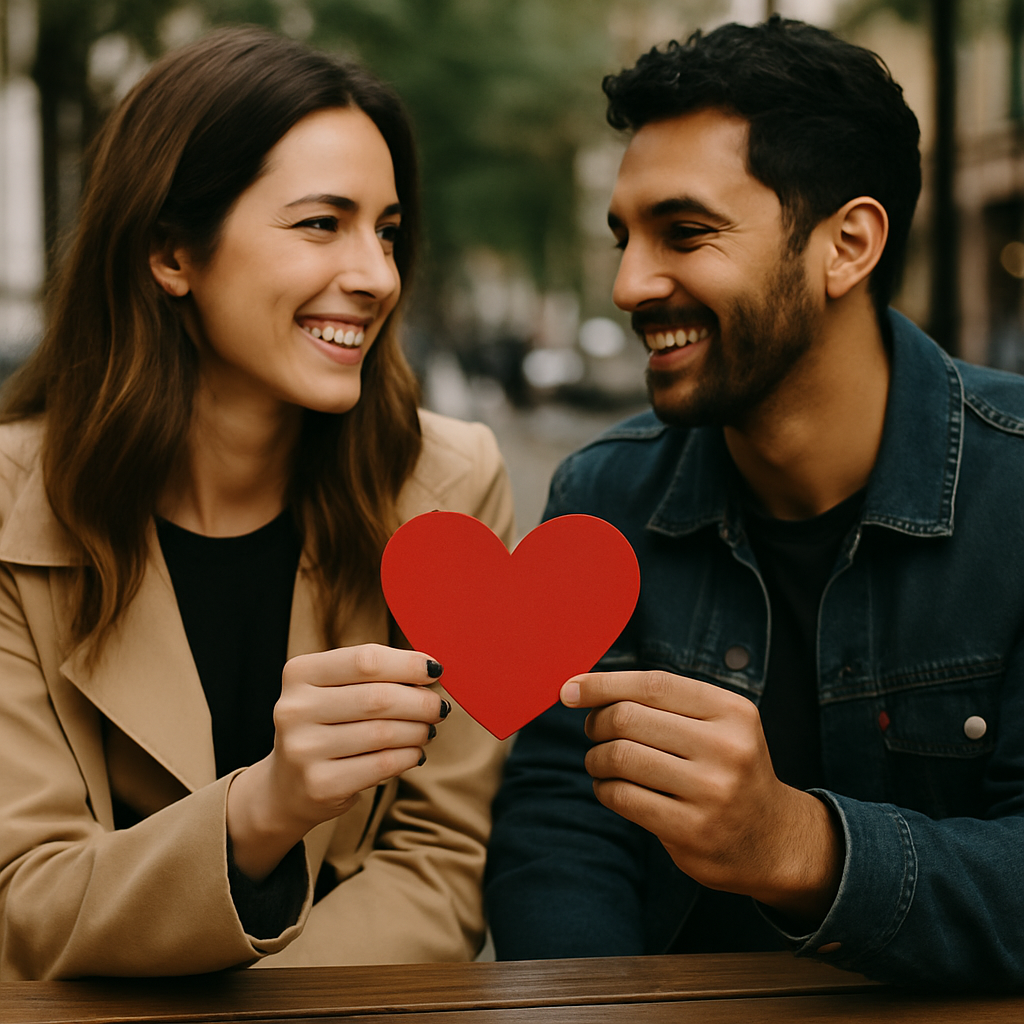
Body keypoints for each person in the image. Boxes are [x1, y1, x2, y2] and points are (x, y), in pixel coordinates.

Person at [485, 17, 1024, 989]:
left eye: (684, 233)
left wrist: (803, 848)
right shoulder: (601, 494)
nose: (628, 283)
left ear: (845, 245)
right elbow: (560, 829)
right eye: (623, 238)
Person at [0, 27, 514, 980]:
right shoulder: (7, 507)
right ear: (170, 253)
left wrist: (230, 1003)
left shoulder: (451, 489)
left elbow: (439, 873)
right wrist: (265, 810)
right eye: (322, 223)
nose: (376, 277)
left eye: (388, 230)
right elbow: (26, 901)